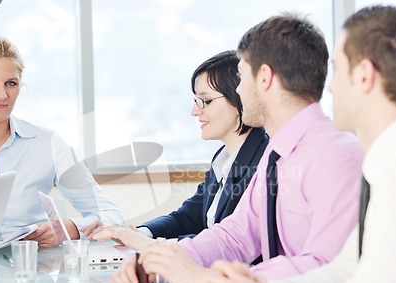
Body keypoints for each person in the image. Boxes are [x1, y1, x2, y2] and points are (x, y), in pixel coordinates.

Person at [198, 6, 396, 283]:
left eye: (337, 71)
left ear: (364, 76)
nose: (329, 89)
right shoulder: (392, 161)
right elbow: (342, 271)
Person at [110, 13, 364, 283]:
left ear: (264, 77)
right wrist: (160, 262)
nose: (238, 91)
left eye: (241, 77)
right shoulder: (277, 155)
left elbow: (325, 267)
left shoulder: (336, 157)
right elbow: (235, 236)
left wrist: (213, 279)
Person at [0, 36, 123, 248]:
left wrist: (66, 230)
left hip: (32, 272)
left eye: (11, 83)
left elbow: (110, 215)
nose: (2, 94)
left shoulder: (49, 144)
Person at [85, 50, 268, 250]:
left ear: (239, 98)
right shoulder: (223, 159)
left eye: (205, 101)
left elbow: (229, 241)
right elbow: (187, 217)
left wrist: (152, 245)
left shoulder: (263, 163)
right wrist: (137, 233)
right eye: (196, 100)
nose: (195, 111)